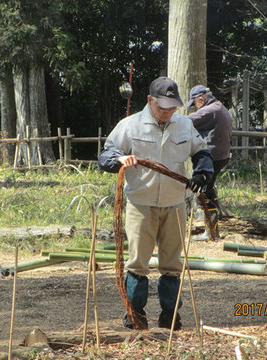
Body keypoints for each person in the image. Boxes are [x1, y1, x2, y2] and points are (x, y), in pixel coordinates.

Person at [98, 77, 214, 330]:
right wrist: (120, 160)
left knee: (172, 265)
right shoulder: (130, 126)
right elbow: (106, 155)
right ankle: (135, 314)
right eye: (163, 108)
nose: (168, 112)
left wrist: (202, 174)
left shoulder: (184, 125)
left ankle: (171, 317)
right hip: (141, 203)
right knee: (138, 263)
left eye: (172, 107)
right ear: (150, 101)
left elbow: (202, 152)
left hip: (175, 204)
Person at [186, 85, 233, 240]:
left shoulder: (210, 110)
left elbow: (184, 122)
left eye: (194, 104)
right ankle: (213, 230)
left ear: (201, 99)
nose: (195, 107)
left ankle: (211, 232)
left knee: (204, 192)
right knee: (209, 190)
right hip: (221, 156)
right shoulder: (220, 108)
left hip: (212, 157)